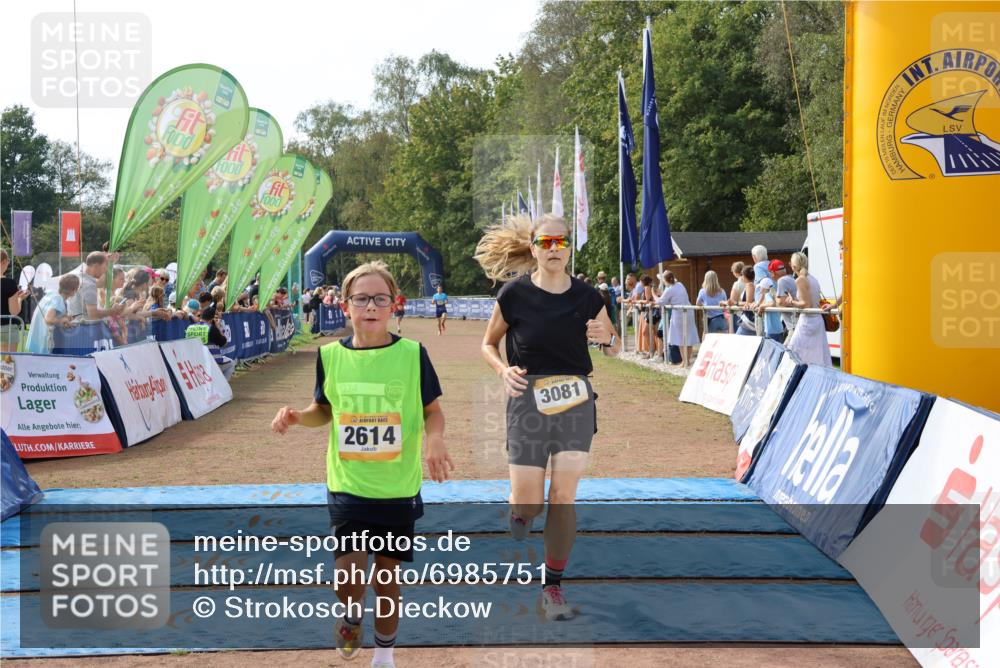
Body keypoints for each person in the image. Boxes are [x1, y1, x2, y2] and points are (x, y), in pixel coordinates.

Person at [270, 260, 452, 667]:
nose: (371, 306)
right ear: (345, 306)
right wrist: (298, 417)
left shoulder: (413, 355)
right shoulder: (329, 355)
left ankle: (384, 656)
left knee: (386, 578)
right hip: (348, 484)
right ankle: (352, 615)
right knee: (348, 579)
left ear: (393, 305)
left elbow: (433, 411)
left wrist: (435, 440)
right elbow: (323, 410)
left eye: (380, 299)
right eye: (362, 298)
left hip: (397, 488)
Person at [475, 213, 620, 621]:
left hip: (576, 400)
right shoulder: (514, 294)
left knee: (563, 495)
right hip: (528, 402)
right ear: (534, 247)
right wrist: (503, 370)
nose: (554, 249)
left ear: (570, 247)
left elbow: (612, 346)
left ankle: (552, 586)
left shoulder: (589, 296)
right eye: (546, 242)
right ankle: (520, 512)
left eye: (561, 242)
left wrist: (608, 338)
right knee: (531, 503)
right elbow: (488, 344)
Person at [784, 251, 833, 367]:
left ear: (794, 266)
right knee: (819, 357)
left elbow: (806, 304)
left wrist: (792, 301)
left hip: (807, 321)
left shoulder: (800, 280)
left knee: (795, 355)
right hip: (817, 320)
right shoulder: (813, 279)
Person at [25, 274, 80, 354]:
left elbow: (50, 313)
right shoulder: (58, 299)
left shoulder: (52, 294)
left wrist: (64, 317)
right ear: (74, 290)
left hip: (37, 339)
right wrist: (63, 320)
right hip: (45, 342)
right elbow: (48, 319)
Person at [656, 271, 700, 363]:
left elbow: (660, 302)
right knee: (688, 337)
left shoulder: (669, 289)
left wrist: (653, 294)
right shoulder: (680, 285)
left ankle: (684, 361)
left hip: (679, 314)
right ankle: (687, 360)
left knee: (680, 338)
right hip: (688, 312)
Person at [67, 252, 124, 322]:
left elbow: (101, 283)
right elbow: (93, 314)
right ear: (96, 266)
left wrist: (111, 262)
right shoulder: (89, 285)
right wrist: (113, 310)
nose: (106, 270)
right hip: (86, 327)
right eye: (104, 267)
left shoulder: (80, 278)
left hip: (77, 325)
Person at [1, 250, 30, 351]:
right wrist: (20, 299)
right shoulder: (9, 283)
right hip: (6, 328)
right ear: (3, 262)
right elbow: (14, 311)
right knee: (8, 360)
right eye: (8, 261)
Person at [696, 270, 728, 334]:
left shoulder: (702, 291)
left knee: (707, 338)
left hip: (710, 320)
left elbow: (697, 304)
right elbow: (725, 304)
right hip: (721, 319)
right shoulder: (722, 291)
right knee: (722, 339)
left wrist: (705, 305)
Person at [773, 260, 799, 337]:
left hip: (794, 325)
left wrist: (776, 298)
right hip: (796, 323)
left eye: (770, 272)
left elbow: (781, 303)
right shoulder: (791, 277)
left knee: (788, 345)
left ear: (774, 272)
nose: (771, 276)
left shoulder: (781, 280)